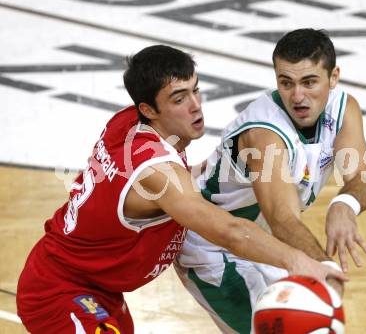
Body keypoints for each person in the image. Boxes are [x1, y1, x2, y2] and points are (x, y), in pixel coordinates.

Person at [16, 44, 346, 334]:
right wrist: (298, 261)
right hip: (61, 291)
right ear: (147, 109)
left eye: (195, 90)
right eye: (178, 98)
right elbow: (228, 231)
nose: (195, 105)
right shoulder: (156, 172)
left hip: (102, 289)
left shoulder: (134, 124)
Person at [175, 28, 366, 334]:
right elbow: (282, 218)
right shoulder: (265, 134)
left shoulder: (343, 108)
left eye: (309, 82)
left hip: (266, 242)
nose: (297, 96)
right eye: (286, 83)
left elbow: (363, 178)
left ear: (333, 78)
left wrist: (344, 204)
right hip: (215, 246)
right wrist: (329, 269)